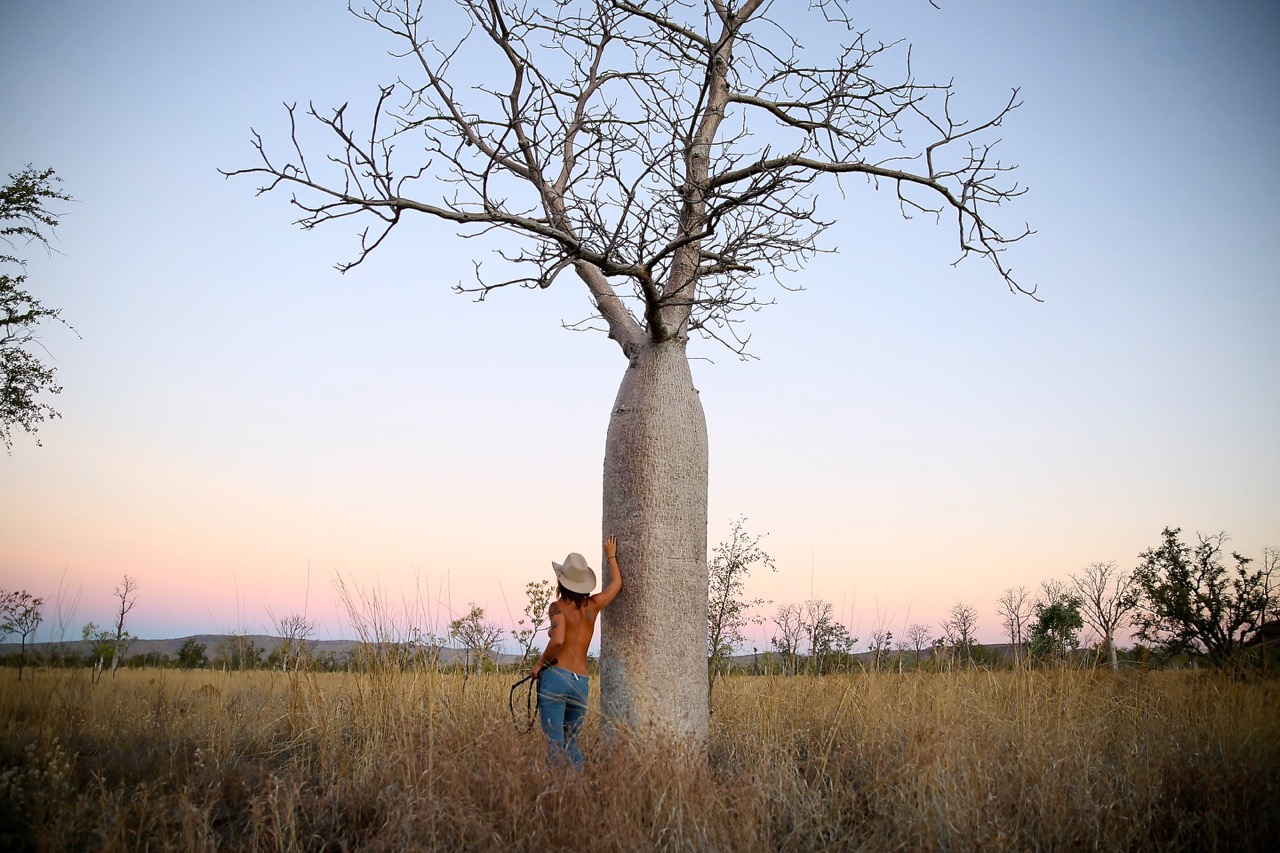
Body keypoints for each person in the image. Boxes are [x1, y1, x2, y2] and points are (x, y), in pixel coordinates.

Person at [531, 535, 623, 767]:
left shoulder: (557, 608)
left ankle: (557, 789)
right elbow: (616, 585)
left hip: (556, 677)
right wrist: (611, 556)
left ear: (561, 582)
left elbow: (558, 640)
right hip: (580, 681)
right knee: (572, 745)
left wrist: (540, 664)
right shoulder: (593, 606)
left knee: (554, 745)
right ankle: (577, 788)